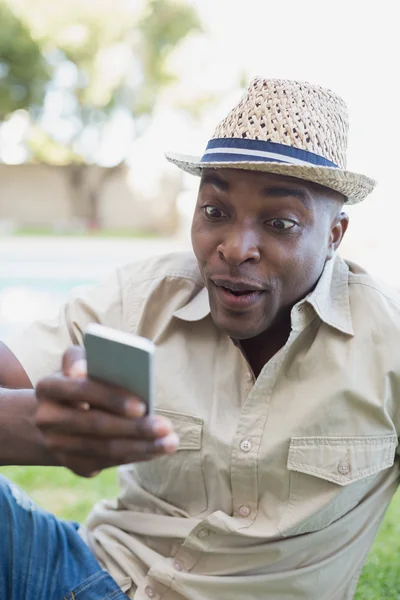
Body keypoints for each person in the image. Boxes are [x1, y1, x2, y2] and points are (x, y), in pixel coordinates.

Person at [0, 77, 397, 600]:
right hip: (87, 578)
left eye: (279, 223)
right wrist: (25, 424)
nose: (235, 248)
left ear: (333, 236)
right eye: (215, 211)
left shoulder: (385, 343)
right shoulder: (143, 297)